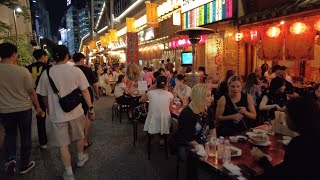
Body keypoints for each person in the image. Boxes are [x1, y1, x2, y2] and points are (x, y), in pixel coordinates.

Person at [37, 45, 93, 180]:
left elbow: (43, 95)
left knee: (63, 144)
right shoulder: (75, 71)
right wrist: (90, 107)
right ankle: (80, 159)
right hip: (76, 111)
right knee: (79, 136)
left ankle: (69, 173)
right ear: (67, 56)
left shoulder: (46, 73)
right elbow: (85, 90)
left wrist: (49, 107)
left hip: (57, 114)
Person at [0, 43, 44, 175]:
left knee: (10, 135)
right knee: (25, 136)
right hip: (23, 109)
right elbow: (31, 92)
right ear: (14, 54)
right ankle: (24, 165)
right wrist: (38, 107)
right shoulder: (22, 71)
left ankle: (11, 160)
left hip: (4, 110)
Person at [251, 97, 320, 180]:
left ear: (296, 118)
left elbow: (281, 176)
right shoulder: (313, 135)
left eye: (287, 115)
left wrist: (262, 159)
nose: (285, 118)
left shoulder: (300, 143)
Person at [174, 84, 215, 180]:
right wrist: (201, 148)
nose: (211, 99)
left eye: (211, 95)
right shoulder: (187, 114)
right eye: (208, 96)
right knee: (194, 157)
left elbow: (212, 130)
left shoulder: (208, 111)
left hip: (202, 142)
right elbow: (187, 138)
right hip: (185, 143)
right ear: (199, 97)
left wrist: (213, 142)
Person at [73, 53, 99, 150]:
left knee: (76, 117)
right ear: (81, 59)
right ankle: (84, 141)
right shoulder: (87, 70)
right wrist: (97, 94)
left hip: (73, 97)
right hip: (86, 96)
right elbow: (95, 84)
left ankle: (77, 139)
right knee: (87, 117)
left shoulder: (71, 70)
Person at [26, 49, 49, 149]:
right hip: (46, 95)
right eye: (46, 56)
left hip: (33, 96)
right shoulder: (48, 68)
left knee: (40, 118)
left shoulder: (28, 68)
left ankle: (42, 142)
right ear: (43, 56)